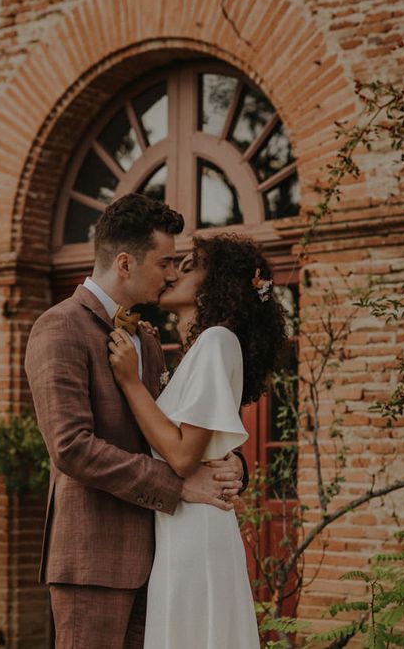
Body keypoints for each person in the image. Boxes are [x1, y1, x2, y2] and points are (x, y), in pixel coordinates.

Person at [24, 194, 247, 648]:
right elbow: (71, 447)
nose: (171, 274)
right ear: (124, 263)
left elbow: (171, 428)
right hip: (94, 561)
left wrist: (230, 462)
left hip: (163, 560)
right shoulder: (59, 327)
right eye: (164, 262)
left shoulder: (145, 338)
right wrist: (178, 486)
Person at [108, 233, 290, 649]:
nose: (174, 273)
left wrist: (130, 382)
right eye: (173, 265)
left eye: (190, 267)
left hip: (196, 530)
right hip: (180, 526)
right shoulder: (196, 350)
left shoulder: (216, 340)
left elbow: (183, 456)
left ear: (217, 284)